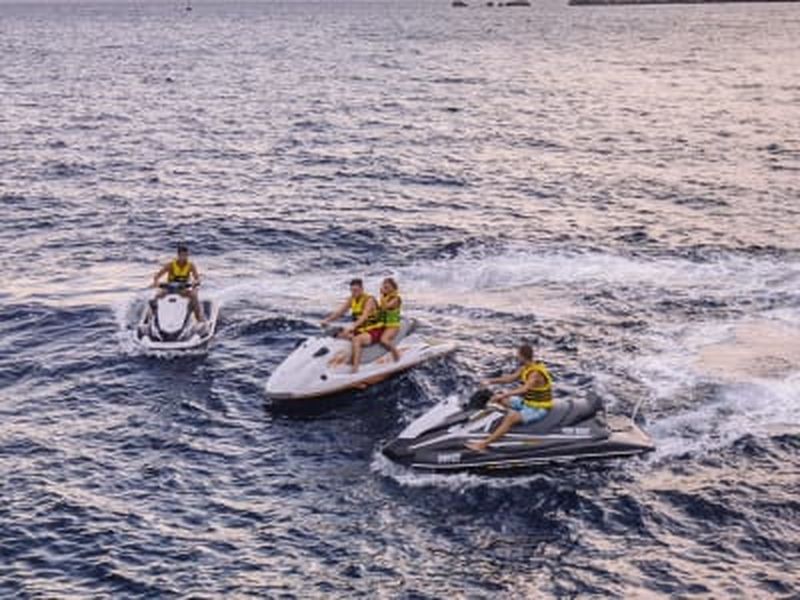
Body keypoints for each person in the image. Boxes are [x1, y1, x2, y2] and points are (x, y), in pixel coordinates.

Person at [465, 343, 553, 453]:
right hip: (526, 403)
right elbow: (509, 379)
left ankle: (482, 445)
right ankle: (474, 422)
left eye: (518, 355)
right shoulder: (525, 368)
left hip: (538, 408)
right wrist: (491, 381)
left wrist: (504, 395)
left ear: (522, 356)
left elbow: (524, 389)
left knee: (510, 417)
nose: (516, 357)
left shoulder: (535, 373)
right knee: (497, 398)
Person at [345, 277, 402, 373]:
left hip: (392, 325)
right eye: (384, 287)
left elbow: (385, 307)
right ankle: (353, 357)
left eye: (387, 287)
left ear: (393, 288)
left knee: (384, 340)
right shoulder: (385, 296)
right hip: (384, 324)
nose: (385, 289)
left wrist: (380, 296)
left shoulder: (396, 299)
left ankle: (397, 356)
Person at [151, 242, 205, 323]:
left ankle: (199, 319)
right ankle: (152, 317)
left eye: (186, 255)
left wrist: (195, 282)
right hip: (169, 289)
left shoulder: (191, 265)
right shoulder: (171, 265)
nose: (184, 257)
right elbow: (157, 276)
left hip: (182, 289)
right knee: (157, 296)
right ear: (178, 255)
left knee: (194, 295)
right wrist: (156, 282)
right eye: (182, 255)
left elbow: (197, 278)